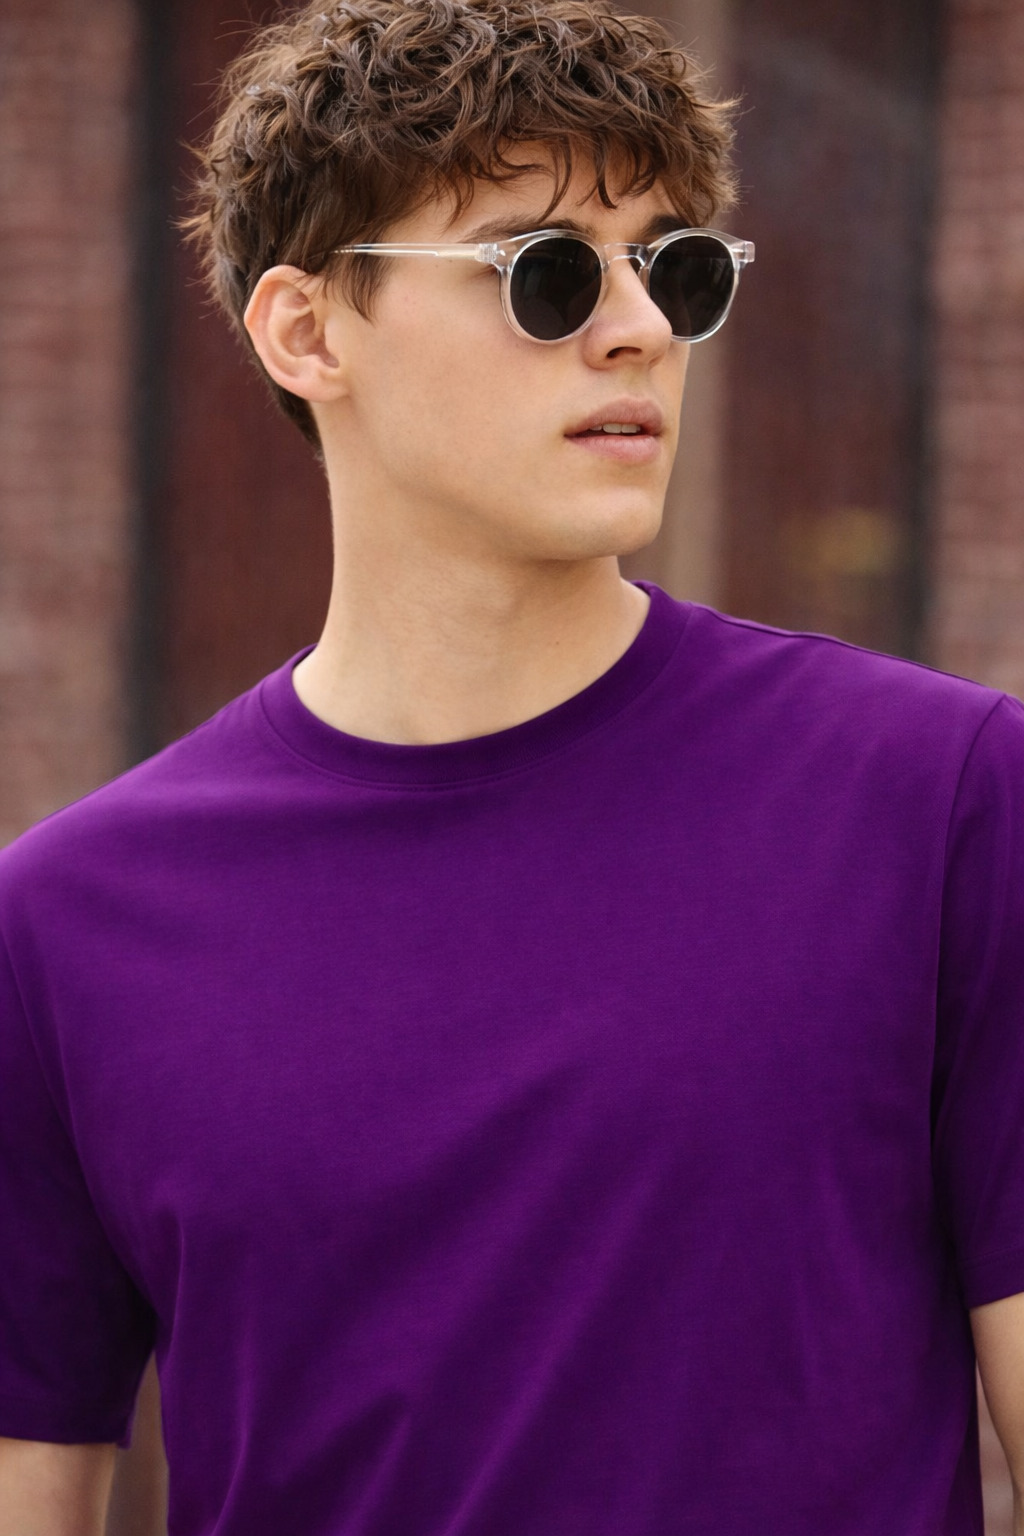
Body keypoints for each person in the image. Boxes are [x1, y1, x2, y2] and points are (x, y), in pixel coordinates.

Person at [1, 0, 1022, 1532]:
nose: (642, 328)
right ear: (306, 332)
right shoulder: (64, 925)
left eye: (677, 267)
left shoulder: (939, 802)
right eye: (545, 272)